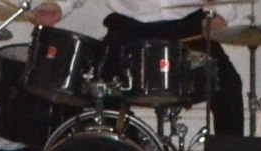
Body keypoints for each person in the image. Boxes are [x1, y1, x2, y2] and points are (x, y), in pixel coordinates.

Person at [32, 0, 243, 137]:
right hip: (129, 28)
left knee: (228, 86)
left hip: (189, 26)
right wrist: (59, 5)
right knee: (102, 92)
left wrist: (222, 13)